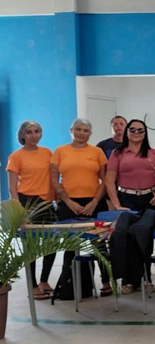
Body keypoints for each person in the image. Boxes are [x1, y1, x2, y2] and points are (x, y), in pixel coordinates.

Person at [51, 118, 111, 295]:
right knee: (71, 245)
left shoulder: (97, 151)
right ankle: (70, 284)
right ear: (71, 130)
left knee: (99, 244)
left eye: (85, 130)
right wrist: (69, 202)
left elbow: (104, 180)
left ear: (90, 133)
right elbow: (54, 179)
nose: (82, 133)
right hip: (69, 203)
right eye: (78, 129)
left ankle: (106, 282)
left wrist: (94, 202)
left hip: (93, 203)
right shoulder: (60, 151)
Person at [104, 119, 155, 295]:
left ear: (145, 133)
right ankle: (128, 280)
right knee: (124, 235)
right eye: (133, 129)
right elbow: (109, 180)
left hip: (149, 200)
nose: (137, 132)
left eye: (141, 130)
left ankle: (146, 278)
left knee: (144, 233)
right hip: (126, 200)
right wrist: (116, 204)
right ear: (127, 132)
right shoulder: (117, 153)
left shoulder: (153, 153)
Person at [6, 121, 57, 300]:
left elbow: (53, 178)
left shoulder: (47, 153)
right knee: (31, 248)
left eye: (37, 131)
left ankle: (44, 281)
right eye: (29, 132)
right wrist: (19, 211)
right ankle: (32, 285)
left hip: (47, 202)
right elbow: (12, 188)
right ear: (23, 135)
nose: (33, 135)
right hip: (27, 202)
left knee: (52, 245)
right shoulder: (16, 156)